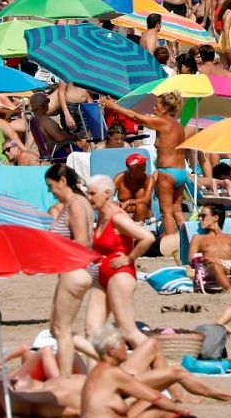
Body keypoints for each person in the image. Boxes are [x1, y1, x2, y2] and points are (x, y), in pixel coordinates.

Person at [103, 92, 189, 238]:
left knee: (166, 212)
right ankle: (187, 241)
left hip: (168, 173)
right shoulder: (178, 126)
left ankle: (171, 245)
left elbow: (136, 117)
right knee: (177, 210)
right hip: (181, 171)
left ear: (165, 109)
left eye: (157, 106)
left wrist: (114, 107)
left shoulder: (163, 122)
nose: (153, 109)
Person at [86, 174, 155, 354]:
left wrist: (129, 258)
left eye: (92, 193)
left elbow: (147, 237)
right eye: (88, 193)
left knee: (128, 331)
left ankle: (159, 363)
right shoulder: (102, 216)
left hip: (120, 275)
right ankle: (97, 371)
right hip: (102, 275)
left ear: (107, 194)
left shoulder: (117, 218)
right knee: (91, 330)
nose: (89, 197)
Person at [45, 164, 96, 378]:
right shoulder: (78, 202)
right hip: (77, 269)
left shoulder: (75, 204)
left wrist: (54, 245)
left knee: (61, 330)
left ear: (63, 181)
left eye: (51, 186)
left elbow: (82, 242)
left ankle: (65, 379)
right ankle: (102, 359)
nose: (50, 191)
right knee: (56, 329)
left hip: (76, 270)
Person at [188, 203, 231, 292]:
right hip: (211, 266)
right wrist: (205, 258)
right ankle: (230, 289)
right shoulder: (198, 238)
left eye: (203, 216)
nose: (200, 219)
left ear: (215, 217)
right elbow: (191, 259)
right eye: (200, 216)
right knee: (216, 267)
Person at [114, 153, 155, 224]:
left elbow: (146, 200)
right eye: (140, 167)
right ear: (130, 169)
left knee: (141, 207)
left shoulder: (149, 179)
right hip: (124, 214)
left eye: (144, 165)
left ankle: (135, 229)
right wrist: (114, 202)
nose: (144, 169)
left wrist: (128, 202)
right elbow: (106, 196)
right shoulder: (120, 178)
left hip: (144, 214)